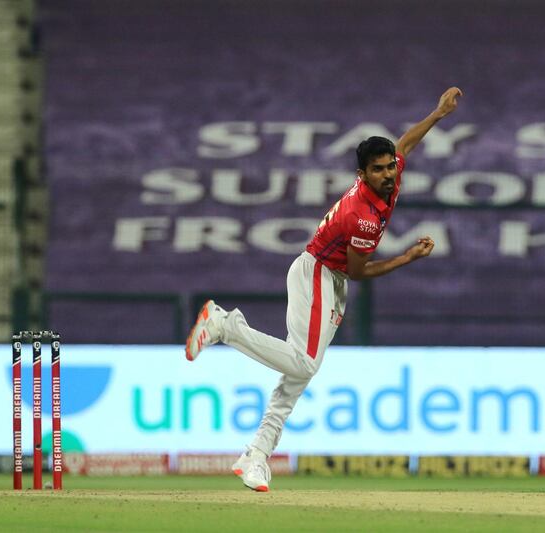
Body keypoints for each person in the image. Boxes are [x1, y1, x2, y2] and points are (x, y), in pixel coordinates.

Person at [184, 87, 463, 492]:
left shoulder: (390, 176)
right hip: (318, 274)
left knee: (296, 379)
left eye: (390, 167)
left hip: (328, 279)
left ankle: (256, 455)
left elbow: (405, 143)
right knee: (304, 364)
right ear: (362, 175)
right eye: (379, 169)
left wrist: (437, 114)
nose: (388, 174)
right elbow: (358, 273)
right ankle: (225, 326)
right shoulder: (362, 217)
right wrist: (407, 258)